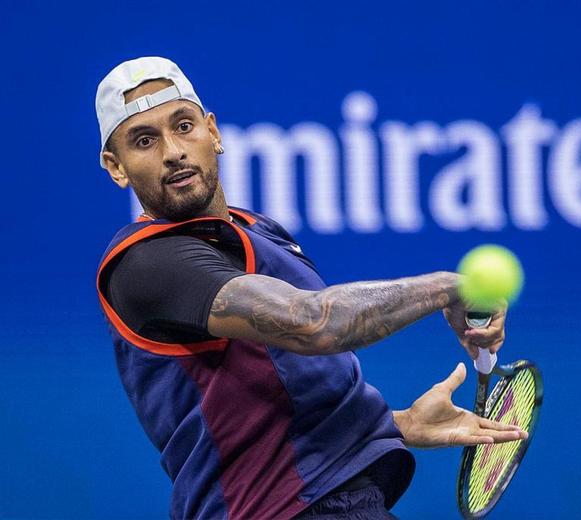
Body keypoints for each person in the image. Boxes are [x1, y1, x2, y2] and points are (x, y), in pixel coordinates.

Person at [95, 57, 525, 519]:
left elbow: (278, 406)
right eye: (145, 140)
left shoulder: (258, 230)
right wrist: (451, 287)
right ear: (117, 167)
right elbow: (315, 323)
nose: (173, 151)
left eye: (184, 126)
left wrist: (397, 425)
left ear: (213, 133)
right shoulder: (147, 264)